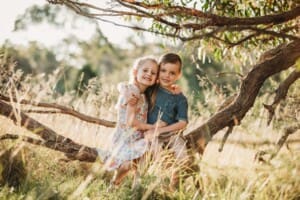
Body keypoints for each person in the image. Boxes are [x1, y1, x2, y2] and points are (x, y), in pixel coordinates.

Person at [96, 55, 159, 186]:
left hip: (135, 138)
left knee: (144, 155)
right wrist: (152, 127)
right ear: (136, 72)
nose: (149, 74)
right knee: (127, 164)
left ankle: (130, 183)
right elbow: (131, 122)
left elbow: (122, 85)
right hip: (125, 139)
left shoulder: (144, 93)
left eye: (153, 73)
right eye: (145, 70)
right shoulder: (133, 92)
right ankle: (117, 184)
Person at [130, 53, 189, 190]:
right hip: (149, 134)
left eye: (172, 73)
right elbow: (132, 83)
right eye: (163, 71)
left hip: (170, 133)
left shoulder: (180, 98)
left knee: (183, 156)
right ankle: (148, 184)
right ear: (158, 71)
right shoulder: (151, 89)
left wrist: (159, 130)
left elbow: (182, 123)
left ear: (179, 75)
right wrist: (125, 91)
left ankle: (173, 189)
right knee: (155, 152)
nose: (167, 76)